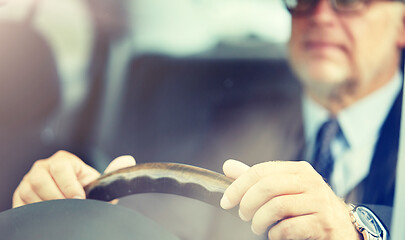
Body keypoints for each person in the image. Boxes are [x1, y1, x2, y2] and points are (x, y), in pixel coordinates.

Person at [11, 0, 405, 239]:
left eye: (349, 1)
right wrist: (80, 216)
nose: (318, 15)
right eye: (301, 0)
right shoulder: (225, 120)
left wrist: (359, 231)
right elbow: (173, 225)